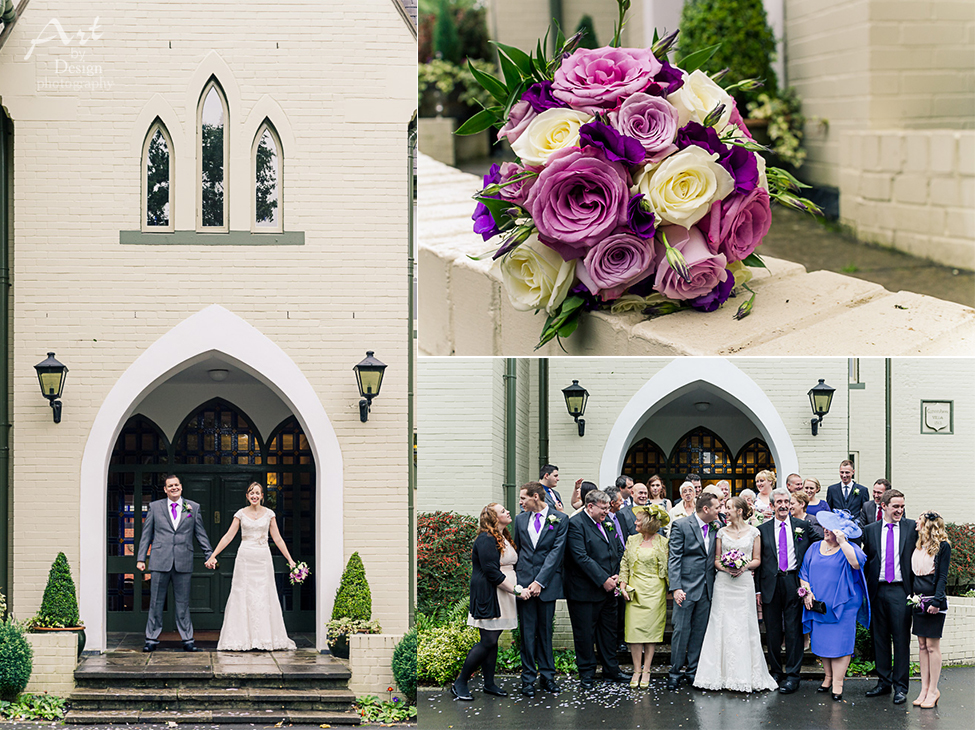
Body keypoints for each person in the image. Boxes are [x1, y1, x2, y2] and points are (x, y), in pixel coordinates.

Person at [693, 496, 778, 692]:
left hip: (744, 583)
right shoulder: (721, 532)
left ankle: (745, 676)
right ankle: (717, 676)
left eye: (729, 508)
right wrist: (727, 567)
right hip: (724, 583)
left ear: (739, 511)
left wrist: (742, 566)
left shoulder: (754, 532)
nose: (725, 510)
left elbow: (757, 559)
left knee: (743, 626)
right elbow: (716, 560)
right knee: (720, 624)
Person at [204, 482, 298, 651]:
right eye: (251, 493)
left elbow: (277, 539)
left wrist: (290, 560)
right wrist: (213, 554)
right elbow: (228, 536)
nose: (254, 496)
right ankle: (241, 639)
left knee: (264, 594)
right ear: (247, 496)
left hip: (263, 558)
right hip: (245, 558)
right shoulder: (240, 514)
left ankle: (265, 638)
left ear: (262, 496)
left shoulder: (269, 514)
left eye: (257, 493)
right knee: (243, 594)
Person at [452, 503, 523, 701]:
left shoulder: (503, 537)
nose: (507, 512)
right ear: (493, 518)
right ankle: (460, 682)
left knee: (493, 641)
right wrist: (516, 590)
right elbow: (491, 572)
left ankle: (489, 683)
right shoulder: (486, 539)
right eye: (502, 511)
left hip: (504, 592)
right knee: (488, 640)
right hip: (490, 593)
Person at [136, 473, 214, 652]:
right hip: (159, 560)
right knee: (155, 602)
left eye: (176, 485)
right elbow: (146, 534)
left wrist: (209, 554)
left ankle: (187, 639)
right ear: (165, 489)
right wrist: (141, 558)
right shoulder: (155, 507)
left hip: (183, 561)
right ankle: (151, 639)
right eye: (170, 486)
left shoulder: (192, 507)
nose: (174, 488)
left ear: (181, 487)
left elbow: (200, 534)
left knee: (183, 603)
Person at [755, 487, 821, 693]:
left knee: (794, 631)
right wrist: (757, 590)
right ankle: (775, 671)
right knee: (773, 632)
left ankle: (793, 675)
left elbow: (820, 543)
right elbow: (759, 562)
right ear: (772, 505)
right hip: (770, 584)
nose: (784, 505)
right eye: (780, 502)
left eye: (787, 502)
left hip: (794, 582)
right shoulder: (762, 530)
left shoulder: (802, 526)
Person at [798, 509, 869, 701]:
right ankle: (828, 678)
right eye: (825, 527)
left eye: (830, 528)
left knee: (840, 644)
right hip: (819, 604)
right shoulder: (814, 547)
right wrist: (807, 592)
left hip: (843, 605)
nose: (825, 530)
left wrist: (843, 542)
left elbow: (856, 564)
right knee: (823, 643)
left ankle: (838, 682)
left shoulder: (851, 548)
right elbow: (803, 572)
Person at [563, 490, 630, 688]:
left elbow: (618, 549)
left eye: (608, 508)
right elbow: (580, 557)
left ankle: (611, 670)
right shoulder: (576, 525)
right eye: (604, 508)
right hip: (584, 591)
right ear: (590, 506)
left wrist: (618, 574)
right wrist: (603, 579)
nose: (607, 512)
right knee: (585, 634)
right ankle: (587, 673)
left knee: (608, 633)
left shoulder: (607, 523)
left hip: (608, 589)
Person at [861, 488, 917, 705]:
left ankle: (901, 687)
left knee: (901, 640)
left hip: (901, 591)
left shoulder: (912, 527)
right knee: (880, 639)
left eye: (902, 506)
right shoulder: (870, 529)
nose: (900, 510)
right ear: (883, 506)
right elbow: (865, 559)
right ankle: (883, 682)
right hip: (878, 590)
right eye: (895, 506)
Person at [513, 482, 569, 698]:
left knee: (545, 632)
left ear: (536, 497)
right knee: (527, 633)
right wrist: (522, 584)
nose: (520, 502)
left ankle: (548, 677)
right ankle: (527, 679)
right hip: (524, 585)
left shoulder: (560, 519)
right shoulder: (519, 520)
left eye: (523, 498)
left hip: (546, 584)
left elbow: (557, 553)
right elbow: (518, 550)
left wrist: (540, 582)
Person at [667, 492, 720, 691]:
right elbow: (674, 558)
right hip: (686, 588)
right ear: (705, 509)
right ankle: (674, 672)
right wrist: (676, 587)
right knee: (681, 631)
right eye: (716, 507)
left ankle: (693, 671)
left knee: (700, 631)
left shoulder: (717, 526)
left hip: (707, 587)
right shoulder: (681, 525)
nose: (719, 510)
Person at [618, 505, 670, 689]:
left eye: (638, 520)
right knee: (634, 632)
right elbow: (624, 563)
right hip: (635, 590)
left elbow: (668, 568)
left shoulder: (663, 542)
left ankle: (647, 669)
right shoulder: (632, 540)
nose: (635, 523)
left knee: (651, 632)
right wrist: (622, 585)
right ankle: (636, 670)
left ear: (648, 523)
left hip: (655, 591)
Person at [910, 511, 951, 709]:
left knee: (933, 646)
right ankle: (924, 688)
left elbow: (942, 576)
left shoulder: (943, 547)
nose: (916, 522)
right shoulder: (917, 545)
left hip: (933, 601)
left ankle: (934, 689)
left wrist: (937, 601)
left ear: (927, 524)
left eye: (919, 519)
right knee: (922, 645)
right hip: (917, 601)